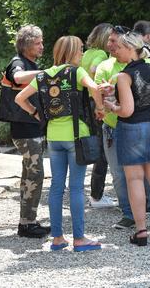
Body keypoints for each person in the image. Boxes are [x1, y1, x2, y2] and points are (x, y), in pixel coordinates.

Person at [15, 35, 105, 252]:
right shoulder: (76, 72)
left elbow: (19, 98)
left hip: (54, 137)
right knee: (76, 188)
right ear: (72, 52)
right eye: (80, 49)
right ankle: (80, 239)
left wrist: (36, 114)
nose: (82, 53)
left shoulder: (44, 75)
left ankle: (57, 238)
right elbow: (94, 89)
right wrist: (100, 109)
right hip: (76, 137)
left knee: (56, 187)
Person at [103, 31, 150, 246]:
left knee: (135, 179)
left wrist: (111, 106)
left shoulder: (124, 76)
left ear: (130, 49)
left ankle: (141, 231)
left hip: (131, 129)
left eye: (119, 47)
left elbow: (127, 110)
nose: (115, 50)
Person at [95, 26, 150, 232]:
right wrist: (107, 94)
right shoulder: (105, 66)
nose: (111, 46)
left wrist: (114, 101)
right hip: (115, 126)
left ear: (128, 46)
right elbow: (100, 95)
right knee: (121, 175)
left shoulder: (142, 65)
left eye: (115, 42)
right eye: (110, 41)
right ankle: (129, 215)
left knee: (146, 177)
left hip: (134, 125)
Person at [0, 25, 50, 238]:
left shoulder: (29, 64)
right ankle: (27, 224)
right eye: (38, 43)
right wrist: (46, 74)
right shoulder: (17, 63)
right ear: (26, 45)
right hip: (25, 130)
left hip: (31, 129)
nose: (42, 46)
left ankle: (28, 221)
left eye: (41, 42)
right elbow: (18, 78)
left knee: (30, 175)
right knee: (35, 175)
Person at [80, 23, 117, 209]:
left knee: (98, 147)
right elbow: (94, 69)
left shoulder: (86, 53)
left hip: (85, 102)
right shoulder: (102, 55)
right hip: (96, 101)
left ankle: (96, 193)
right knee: (102, 150)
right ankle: (96, 195)